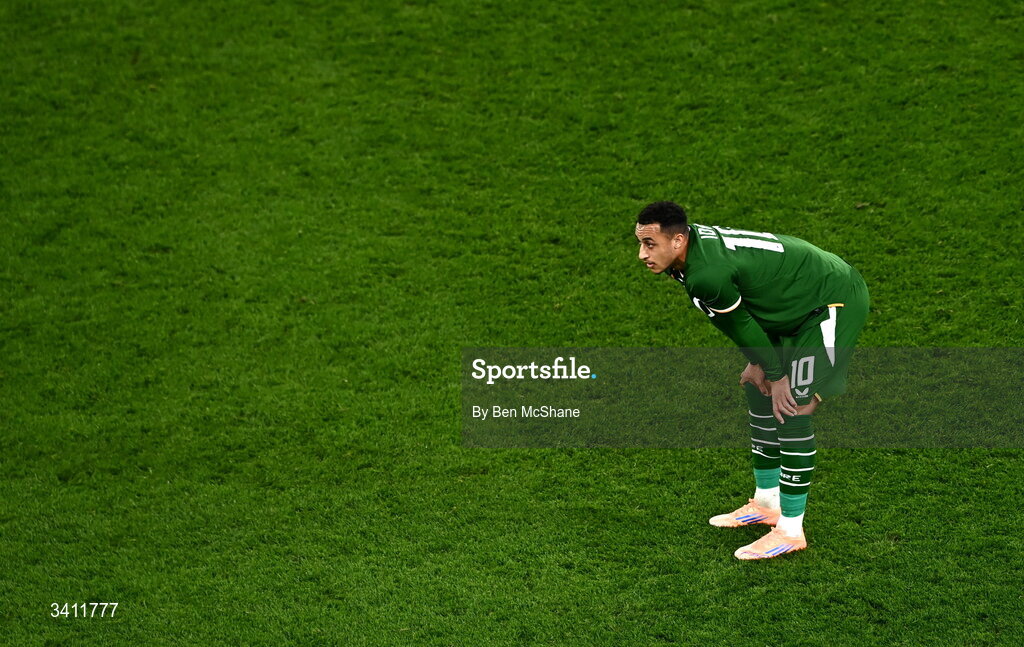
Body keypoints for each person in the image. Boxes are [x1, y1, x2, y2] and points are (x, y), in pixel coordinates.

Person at [634, 201, 869, 560]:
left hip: (829, 302)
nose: (641, 254)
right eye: (640, 243)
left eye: (650, 244)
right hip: (790, 304)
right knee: (757, 390)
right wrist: (759, 364)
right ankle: (766, 502)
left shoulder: (705, 275)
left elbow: (739, 322)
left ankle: (791, 530)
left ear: (678, 240)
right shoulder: (690, 256)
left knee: (794, 407)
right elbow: (743, 312)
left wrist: (776, 373)